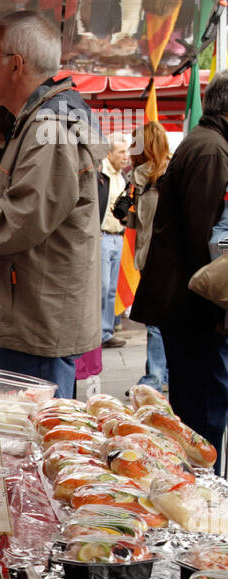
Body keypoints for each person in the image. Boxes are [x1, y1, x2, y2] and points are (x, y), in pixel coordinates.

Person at [0, 11, 102, 399]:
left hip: (35, 326)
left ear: (16, 64)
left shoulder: (49, 129)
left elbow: (14, 223)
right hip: (29, 317)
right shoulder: (34, 122)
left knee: (29, 443)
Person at [132, 71, 228, 456]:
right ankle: (204, 501)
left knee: (197, 413)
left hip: (187, 306)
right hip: (195, 308)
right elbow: (204, 239)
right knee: (202, 418)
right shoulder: (211, 149)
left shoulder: (207, 143)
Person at [127, 120, 170, 391]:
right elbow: (135, 223)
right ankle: (159, 376)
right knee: (157, 322)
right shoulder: (142, 178)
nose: (131, 148)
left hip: (159, 258)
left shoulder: (161, 177)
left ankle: (154, 379)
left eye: (135, 142)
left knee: (156, 322)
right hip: (151, 256)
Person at [99, 138, 130, 346]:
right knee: (102, 285)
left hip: (118, 236)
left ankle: (106, 331)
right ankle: (98, 332)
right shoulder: (101, 175)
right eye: (120, 152)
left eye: (126, 152)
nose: (125, 156)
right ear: (109, 154)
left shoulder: (124, 177)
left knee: (111, 288)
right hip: (102, 236)